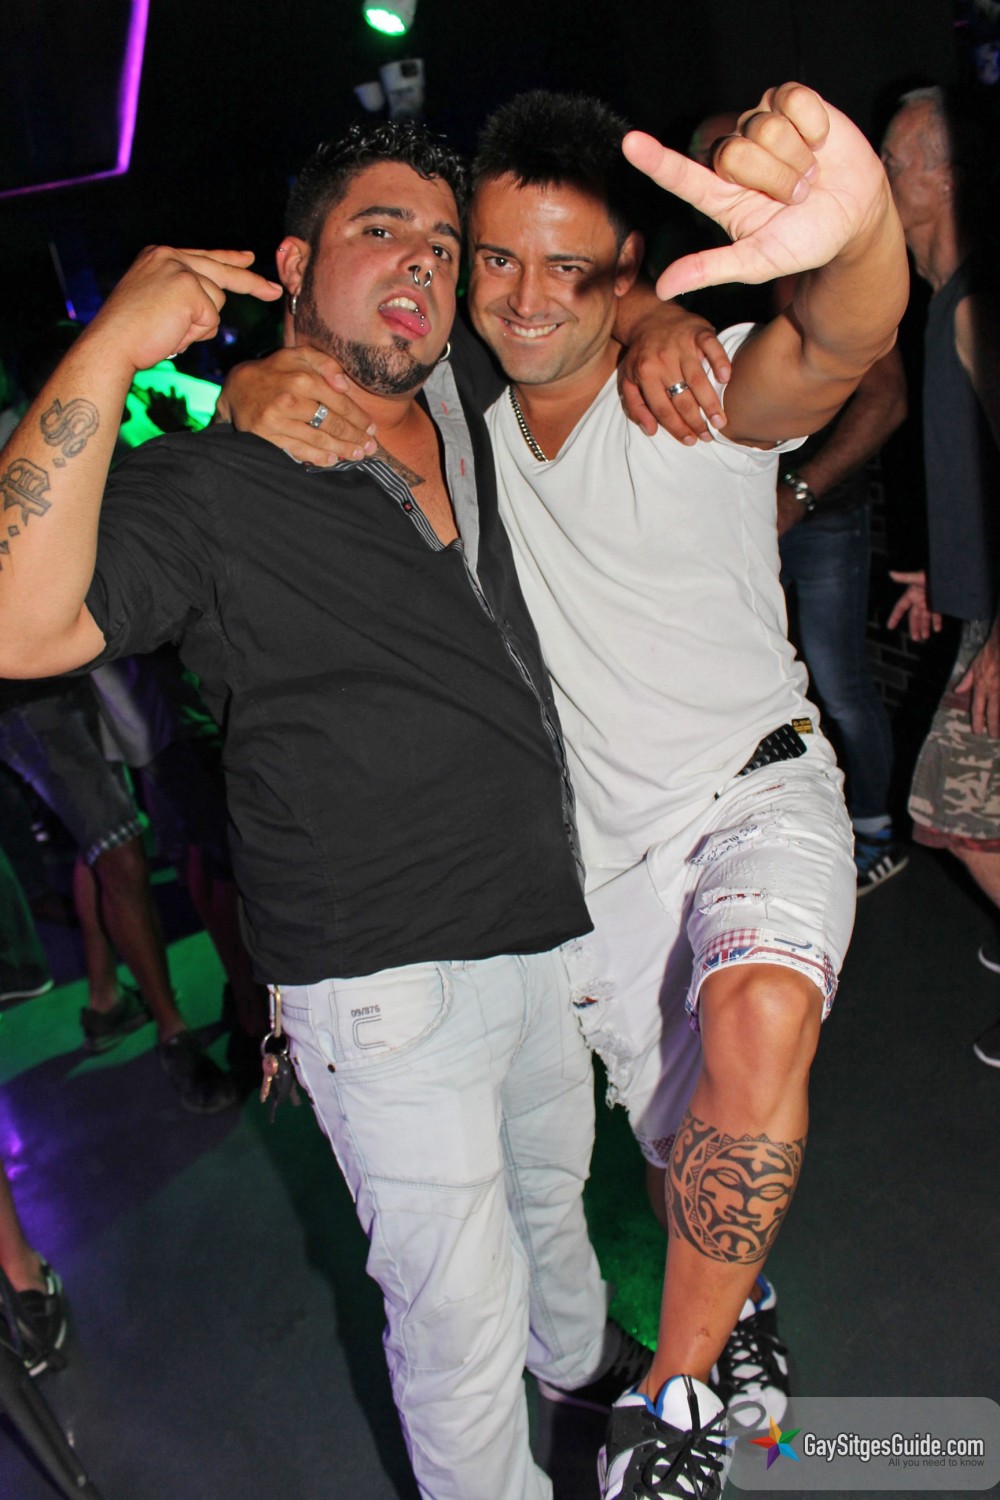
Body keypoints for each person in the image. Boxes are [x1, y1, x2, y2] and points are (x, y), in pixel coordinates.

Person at [0, 121, 723, 1500]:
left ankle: (581, 1378)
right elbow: (14, 624)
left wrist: (663, 318)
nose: (424, 265)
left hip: (540, 927)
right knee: (456, 1328)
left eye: (443, 245)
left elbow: (580, 300)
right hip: (384, 985)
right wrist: (109, 352)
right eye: (380, 230)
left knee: (552, 1210)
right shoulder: (209, 483)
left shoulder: (471, 390)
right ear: (292, 264)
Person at [224, 84, 908, 1499]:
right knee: (681, 1139)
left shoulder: (698, 387)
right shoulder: (459, 411)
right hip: (594, 873)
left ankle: (677, 1400)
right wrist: (250, 379)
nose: (528, 298)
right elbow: (335, 359)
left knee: (760, 1014)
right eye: (496, 259)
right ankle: (740, 1311)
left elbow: (841, 341)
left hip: (753, 794)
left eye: (572, 269)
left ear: (628, 272)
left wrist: (857, 240)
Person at [881, 87, 1000, 1067]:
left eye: (893, 165)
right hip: (981, 603)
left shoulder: (975, 302)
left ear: (945, 180)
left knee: (954, 816)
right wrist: (943, 567)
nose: (877, 181)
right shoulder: (944, 299)